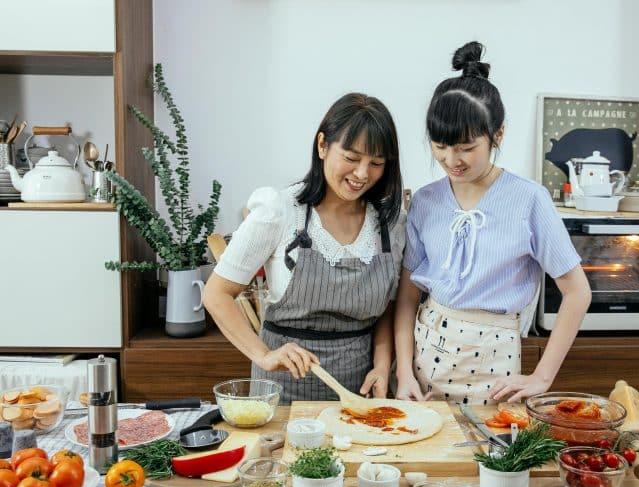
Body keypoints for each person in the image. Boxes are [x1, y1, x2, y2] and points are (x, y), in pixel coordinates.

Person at [394, 42, 591, 405]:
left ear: (497, 135)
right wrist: (403, 372)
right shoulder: (424, 200)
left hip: (494, 367)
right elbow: (407, 298)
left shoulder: (529, 200)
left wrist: (543, 376)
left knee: (489, 456)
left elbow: (578, 292)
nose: (451, 160)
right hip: (425, 359)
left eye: (466, 147)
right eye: (440, 146)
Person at [203, 93, 405, 403]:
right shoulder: (280, 211)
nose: (363, 174)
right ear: (323, 145)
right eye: (351, 158)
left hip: (360, 391)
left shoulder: (391, 223)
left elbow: (386, 308)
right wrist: (264, 355)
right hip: (283, 391)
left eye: (376, 163)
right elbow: (216, 294)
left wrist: (381, 366)